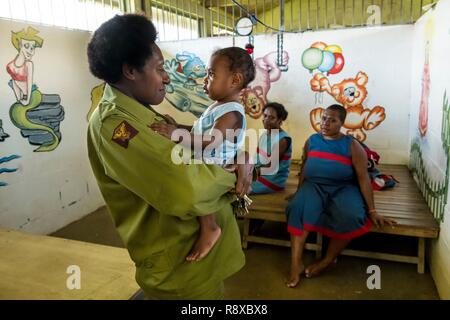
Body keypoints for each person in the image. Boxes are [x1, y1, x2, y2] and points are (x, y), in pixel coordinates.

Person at [86, 14, 253, 300]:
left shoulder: (139, 110)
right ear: (130, 70)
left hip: (196, 261)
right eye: (160, 68)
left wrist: (241, 156)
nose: (166, 77)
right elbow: (190, 188)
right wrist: (235, 166)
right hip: (180, 267)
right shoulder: (117, 126)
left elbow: (198, 148)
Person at [149, 47, 255, 262]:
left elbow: (210, 141)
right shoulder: (219, 107)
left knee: (197, 189)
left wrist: (175, 134)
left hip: (216, 164)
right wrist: (178, 126)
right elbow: (200, 131)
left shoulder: (232, 112)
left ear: (234, 80)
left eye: (212, 74)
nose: (205, 80)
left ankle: (210, 227)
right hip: (209, 159)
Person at [285, 104, 396, 288]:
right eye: (324, 118)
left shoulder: (352, 145)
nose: (326, 123)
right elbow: (305, 167)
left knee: (351, 216)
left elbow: (363, 178)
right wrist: (299, 192)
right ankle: (295, 264)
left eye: (332, 120)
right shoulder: (312, 141)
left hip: (343, 187)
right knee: (297, 208)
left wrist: (373, 210)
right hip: (314, 186)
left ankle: (326, 261)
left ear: (342, 123)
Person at [252, 102, 292, 194]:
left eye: (272, 118)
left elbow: (270, 167)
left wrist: (249, 173)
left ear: (280, 120)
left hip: (272, 179)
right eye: (265, 116)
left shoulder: (283, 139)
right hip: (259, 172)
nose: (266, 120)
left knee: (236, 187)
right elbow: (258, 159)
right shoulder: (265, 135)